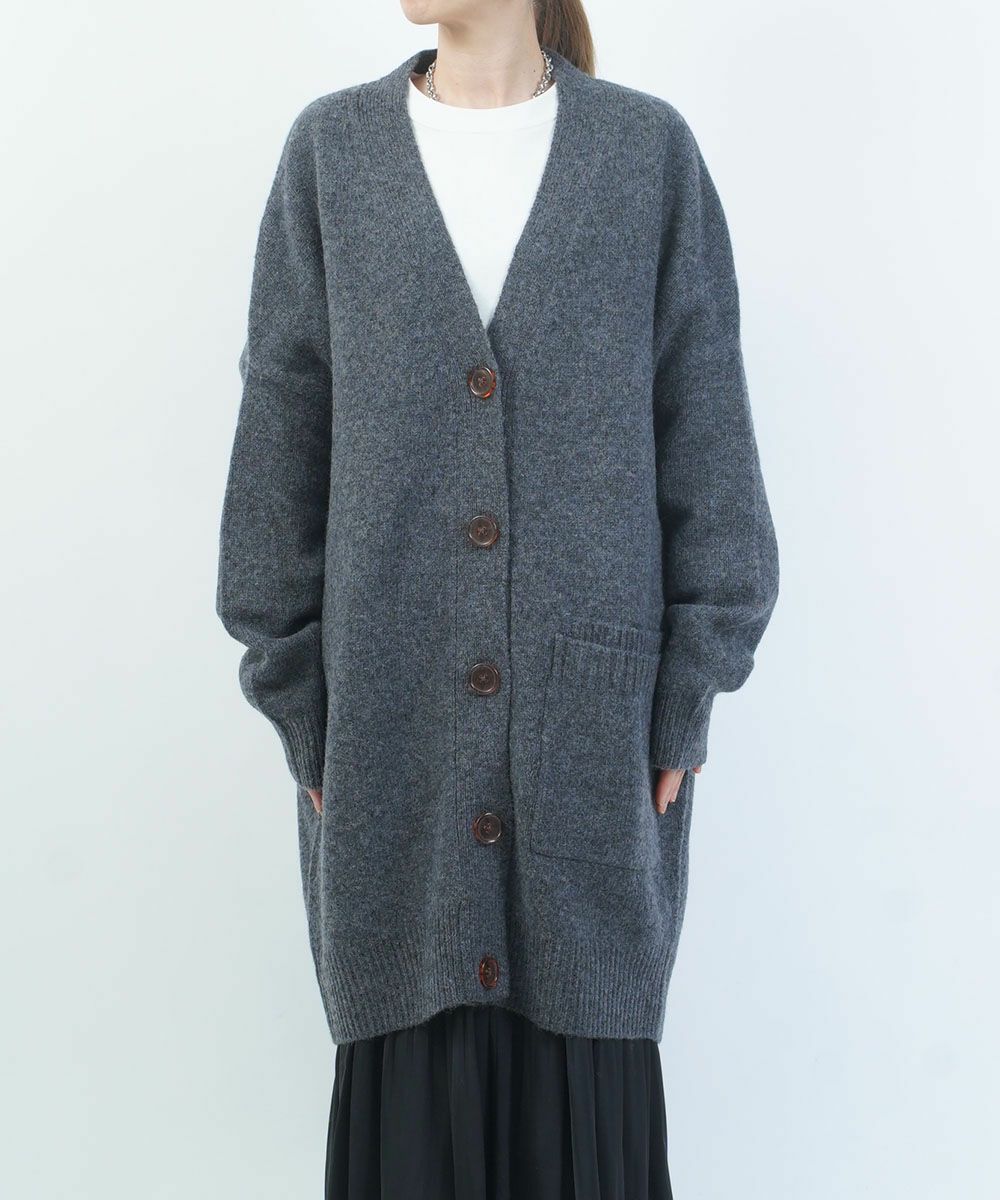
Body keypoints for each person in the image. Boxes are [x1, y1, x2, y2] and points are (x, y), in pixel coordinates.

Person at [216, 1, 779, 1195]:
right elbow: (276, 451)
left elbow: (711, 446)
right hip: (391, 754)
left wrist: (686, 698)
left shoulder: (643, 157)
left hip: (589, 756)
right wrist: (300, 707)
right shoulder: (332, 157)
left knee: (584, 1119)